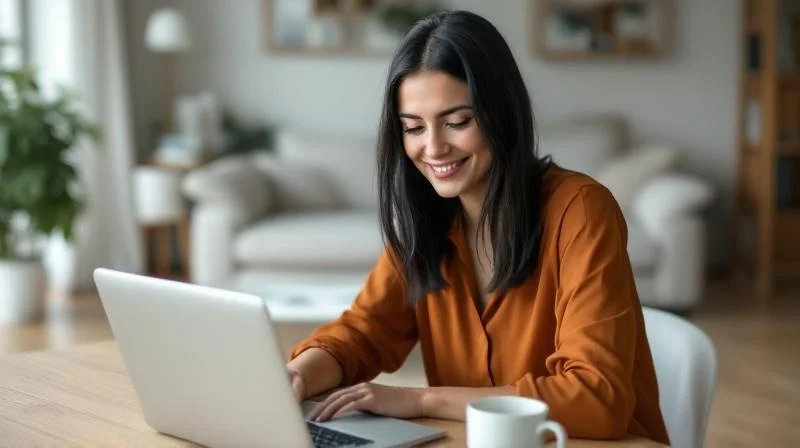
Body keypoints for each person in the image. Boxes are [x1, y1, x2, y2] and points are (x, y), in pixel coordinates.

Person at [285, 10, 669, 444]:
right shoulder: (426, 223)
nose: (433, 148)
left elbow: (596, 400)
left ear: (500, 113)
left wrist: (420, 400)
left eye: (457, 122)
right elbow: (362, 333)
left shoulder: (580, 210)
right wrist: (298, 374)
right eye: (414, 127)